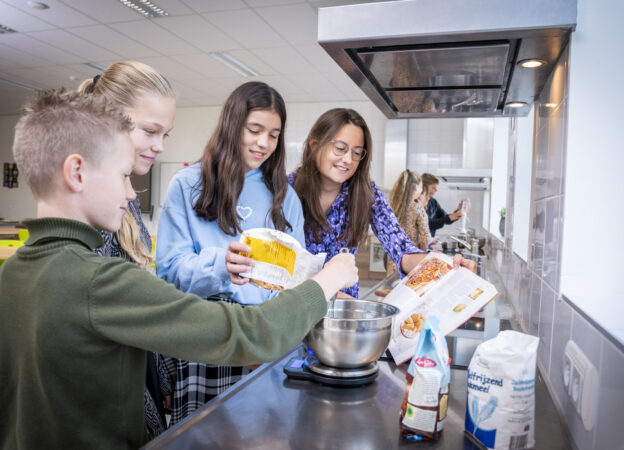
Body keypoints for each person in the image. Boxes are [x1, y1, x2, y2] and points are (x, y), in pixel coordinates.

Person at [1, 89, 358, 449]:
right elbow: (249, 334)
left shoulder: (11, 274)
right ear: (77, 172)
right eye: (125, 176)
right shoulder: (102, 281)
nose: (131, 194)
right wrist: (328, 278)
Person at [155, 81, 305, 424]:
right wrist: (220, 265)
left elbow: (296, 276)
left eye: (274, 134)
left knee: (264, 434)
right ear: (232, 124)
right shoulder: (189, 183)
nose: (264, 143)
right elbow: (169, 272)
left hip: (267, 334)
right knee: (204, 436)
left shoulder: (285, 196)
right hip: (208, 334)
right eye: (254, 130)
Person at [79, 60, 176, 438]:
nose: (160, 146)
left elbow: (146, 298)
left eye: (166, 134)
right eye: (151, 131)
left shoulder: (127, 198)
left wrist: (162, 380)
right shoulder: (93, 207)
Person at [289, 108, 474, 298]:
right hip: (294, 303)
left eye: (356, 153)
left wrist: (446, 266)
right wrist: (326, 292)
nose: (347, 160)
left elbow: (402, 250)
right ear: (314, 144)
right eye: (340, 148)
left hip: (343, 310)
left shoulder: (367, 193)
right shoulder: (286, 191)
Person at [386, 170, 432, 276]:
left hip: (393, 262)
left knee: (393, 290)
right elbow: (425, 239)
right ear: (416, 187)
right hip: (411, 265)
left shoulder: (391, 207)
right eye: (421, 187)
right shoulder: (417, 209)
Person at [421, 172, 464, 237]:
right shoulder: (416, 203)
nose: (436, 190)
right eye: (433, 187)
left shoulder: (433, 202)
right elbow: (425, 224)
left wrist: (458, 212)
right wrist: (447, 218)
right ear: (424, 187)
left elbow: (447, 219)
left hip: (428, 244)